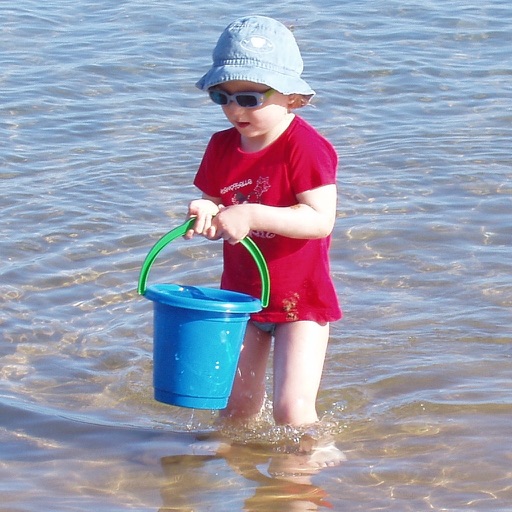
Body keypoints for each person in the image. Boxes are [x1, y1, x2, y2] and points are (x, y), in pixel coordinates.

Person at [185, 15, 342, 428]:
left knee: (291, 410)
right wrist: (205, 212)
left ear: (292, 97)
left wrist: (251, 213)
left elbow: (320, 220)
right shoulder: (221, 146)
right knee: (236, 408)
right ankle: (230, 465)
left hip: (301, 301)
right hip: (241, 297)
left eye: (251, 98)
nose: (235, 109)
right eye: (222, 96)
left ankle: (306, 465)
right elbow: (215, 201)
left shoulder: (305, 147)